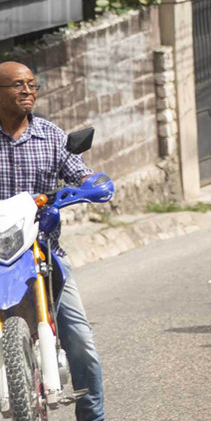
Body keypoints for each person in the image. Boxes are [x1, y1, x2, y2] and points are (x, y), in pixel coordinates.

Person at [0, 61, 104, 421]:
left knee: (81, 342)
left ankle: (93, 416)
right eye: (18, 85)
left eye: (32, 84)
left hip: (43, 252)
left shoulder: (51, 136)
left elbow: (80, 172)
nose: (28, 91)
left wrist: (94, 183)